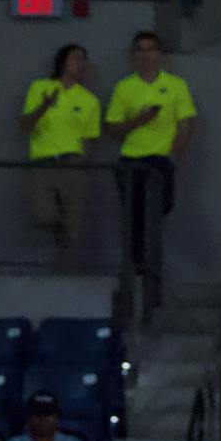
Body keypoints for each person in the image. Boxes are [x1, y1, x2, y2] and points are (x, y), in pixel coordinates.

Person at [104, 30, 197, 283]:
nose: (146, 55)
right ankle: (138, 265)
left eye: (151, 49)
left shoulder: (176, 85)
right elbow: (112, 128)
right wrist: (139, 121)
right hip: (132, 159)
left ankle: (150, 262)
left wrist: (173, 157)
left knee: (160, 208)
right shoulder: (124, 87)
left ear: (159, 54)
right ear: (134, 55)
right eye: (141, 50)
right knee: (134, 214)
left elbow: (186, 124)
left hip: (159, 159)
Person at [20, 42, 101, 270]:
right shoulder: (40, 87)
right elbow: (25, 124)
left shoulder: (89, 100)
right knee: (43, 214)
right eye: (76, 58)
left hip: (73, 163)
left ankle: (67, 271)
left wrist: (83, 161)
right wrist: (44, 107)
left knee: (74, 225)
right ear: (63, 61)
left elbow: (89, 137)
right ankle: (58, 229)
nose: (80, 63)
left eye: (83, 59)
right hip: (44, 161)